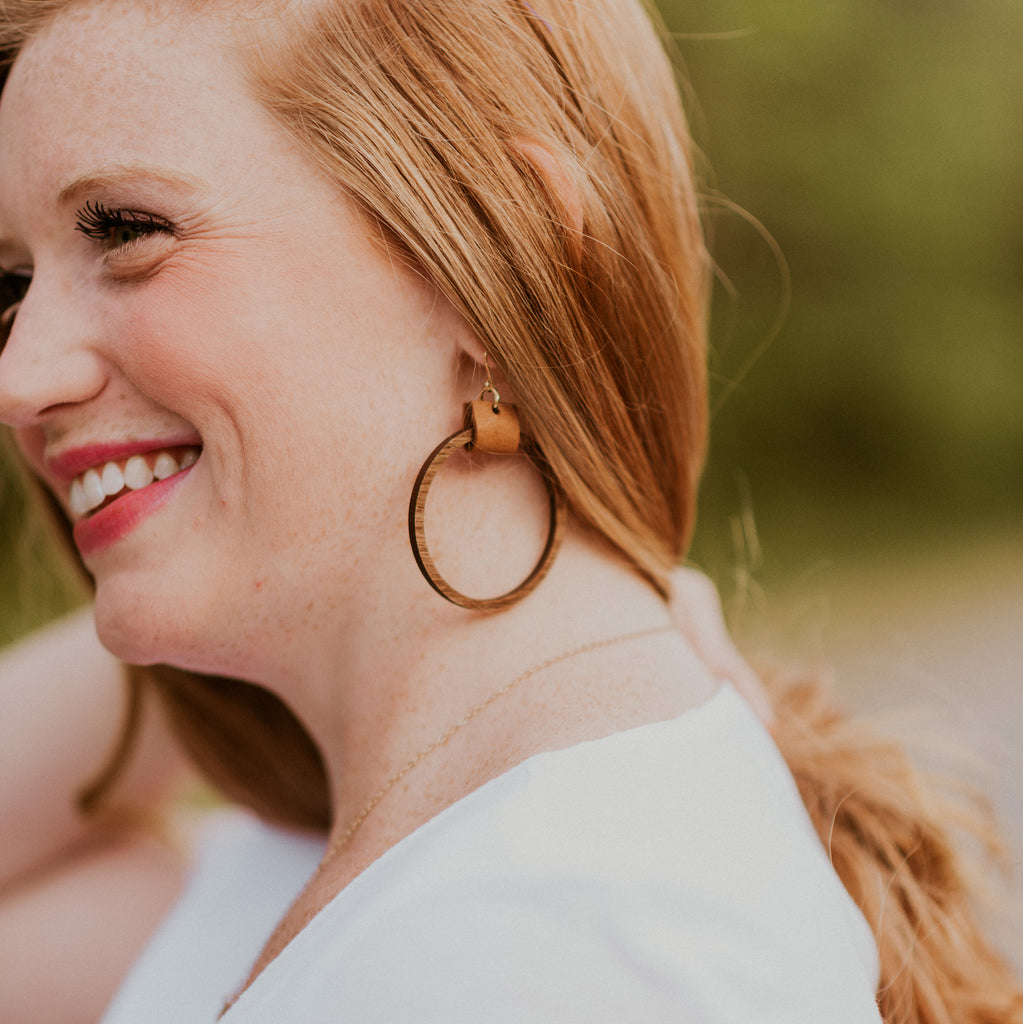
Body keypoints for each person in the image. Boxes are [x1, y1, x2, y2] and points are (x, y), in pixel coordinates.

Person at [0, 0, 1018, 1021]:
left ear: (492, 256)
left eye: (128, 231)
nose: (20, 373)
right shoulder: (308, 877)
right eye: (13, 281)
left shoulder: (566, 954)